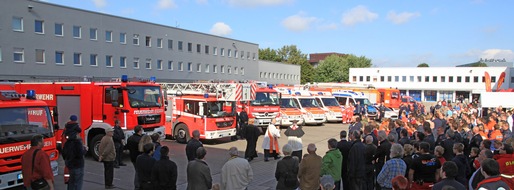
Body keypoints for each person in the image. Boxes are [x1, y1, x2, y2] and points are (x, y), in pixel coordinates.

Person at [126, 125, 144, 190]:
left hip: (132, 157)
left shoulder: (130, 138)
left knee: (137, 170)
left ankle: (138, 185)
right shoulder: (140, 139)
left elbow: (127, 147)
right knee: (138, 172)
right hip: (138, 157)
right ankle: (137, 185)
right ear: (139, 131)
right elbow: (141, 149)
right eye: (141, 130)